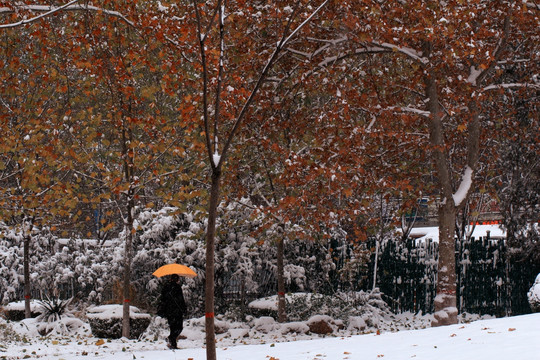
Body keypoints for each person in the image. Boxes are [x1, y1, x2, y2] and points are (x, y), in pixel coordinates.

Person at [157, 274, 187, 349]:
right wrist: (184, 309)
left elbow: (162, 299)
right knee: (179, 327)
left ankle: (172, 342)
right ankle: (171, 339)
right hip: (176, 310)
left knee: (173, 327)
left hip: (169, 311)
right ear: (177, 279)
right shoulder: (177, 287)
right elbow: (181, 300)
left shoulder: (166, 287)